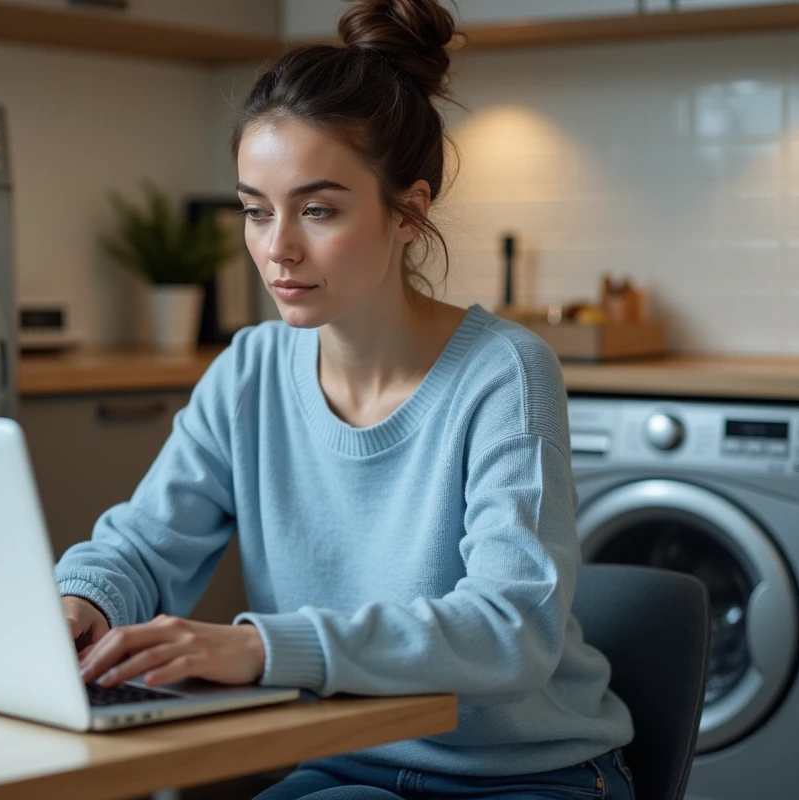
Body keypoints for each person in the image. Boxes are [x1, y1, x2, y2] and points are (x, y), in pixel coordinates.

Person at [57, 1, 636, 797]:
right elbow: (143, 546)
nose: (277, 247)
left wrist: (264, 649)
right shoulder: (251, 369)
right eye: (256, 211)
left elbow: (512, 631)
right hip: (346, 762)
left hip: (519, 776)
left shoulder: (504, 372)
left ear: (410, 210)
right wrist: (82, 599)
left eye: (318, 210)